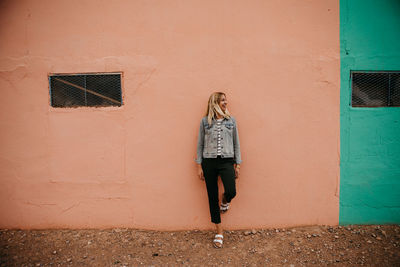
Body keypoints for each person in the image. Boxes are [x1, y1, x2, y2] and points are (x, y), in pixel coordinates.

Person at [195, 92, 242, 248]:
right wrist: (199, 165)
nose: (226, 102)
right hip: (209, 162)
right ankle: (219, 231)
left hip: (227, 161)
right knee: (211, 196)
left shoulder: (231, 120)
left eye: (225, 100)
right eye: (222, 100)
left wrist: (238, 163)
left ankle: (225, 200)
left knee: (231, 191)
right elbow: (200, 144)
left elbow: (236, 143)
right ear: (214, 103)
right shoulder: (205, 122)